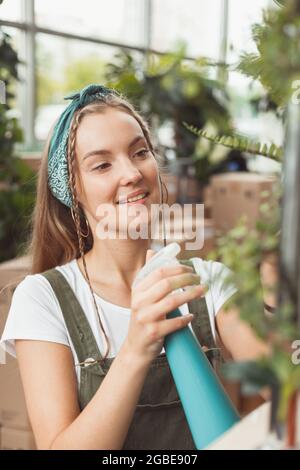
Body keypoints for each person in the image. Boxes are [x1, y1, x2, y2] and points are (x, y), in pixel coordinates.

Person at [0, 84, 269, 450]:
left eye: (140, 152)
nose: (131, 173)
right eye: (102, 165)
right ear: (72, 189)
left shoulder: (209, 281)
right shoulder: (42, 299)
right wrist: (136, 348)